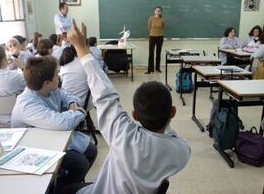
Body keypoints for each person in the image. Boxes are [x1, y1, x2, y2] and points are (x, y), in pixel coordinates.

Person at [65, 20, 190, 194]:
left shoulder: (124, 136)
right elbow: (174, 137)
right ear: (173, 113)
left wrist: (81, 48)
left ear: (134, 115)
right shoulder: (181, 151)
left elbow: (104, 95)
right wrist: (83, 48)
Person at [10, 56, 97, 192]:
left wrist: (71, 103)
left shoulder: (50, 89)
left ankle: (66, 186)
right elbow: (61, 122)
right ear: (47, 83)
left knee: (91, 150)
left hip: (51, 138)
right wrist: (80, 111)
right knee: (80, 164)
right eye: (57, 75)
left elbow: (67, 96)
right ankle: (59, 189)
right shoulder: (27, 104)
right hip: (32, 147)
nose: (60, 76)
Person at [146, 6, 164, 74]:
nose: (157, 12)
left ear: (160, 12)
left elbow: (162, 27)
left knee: (158, 53)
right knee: (151, 53)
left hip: (160, 37)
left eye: (159, 11)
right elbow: (149, 27)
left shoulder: (162, 19)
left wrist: (158, 33)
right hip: (152, 37)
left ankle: (157, 68)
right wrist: (152, 33)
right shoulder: (151, 19)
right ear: (154, 11)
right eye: (156, 10)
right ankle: (150, 69)